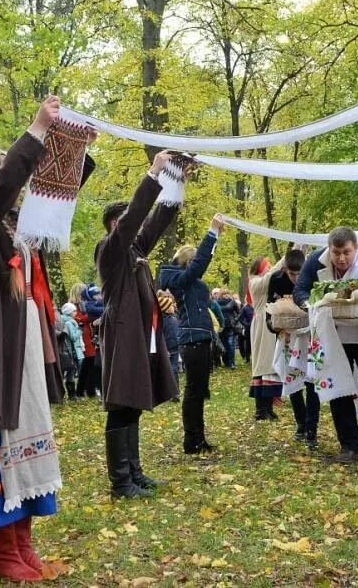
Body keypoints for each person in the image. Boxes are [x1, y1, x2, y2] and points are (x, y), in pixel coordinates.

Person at [0, 96, 94, 582]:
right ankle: (1, 551)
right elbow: (2, 189)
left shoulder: (24, 229)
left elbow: (58, 196)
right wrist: (36, 131)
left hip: (28, 352)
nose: (16, 194)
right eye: (7, 183)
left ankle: (23, 544)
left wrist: (76, 148)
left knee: (30, 441)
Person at [96, 150, 181, 498]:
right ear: (114, 227)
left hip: (140, 338)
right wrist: (153, 173)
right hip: (122, 337)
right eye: (125, 221)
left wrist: (176, 182)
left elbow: (156, 221)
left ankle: (134, 473)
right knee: (121, 405)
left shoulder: (134, 249)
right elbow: (136, 220)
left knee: (133, 404)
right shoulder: (110, 249)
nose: (131, 226)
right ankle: (120, 483)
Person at [294, 227, 358, 463]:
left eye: (346, 253)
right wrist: (309, 304)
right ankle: (349, 443)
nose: (341, 259)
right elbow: (300, 290)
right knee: (337, 386)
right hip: (333, 334)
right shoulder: (315, 262)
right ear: (329, 249)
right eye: (336, 253)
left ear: (356, 248)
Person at [157, 215, 224, 453]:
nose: (199, 263)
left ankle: (199, 437)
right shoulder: (180, 279)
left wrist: (214, 241)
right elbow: (199, 265)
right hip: (192, 339)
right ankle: (191, 440)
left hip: (201, 338)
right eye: (194, 259)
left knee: (199, 390)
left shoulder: (191, 281)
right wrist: (211, 233)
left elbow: (203, 262)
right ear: (187, 262)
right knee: (194, 391)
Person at [264, 249, 319, 447]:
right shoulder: (276, 280)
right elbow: (269, 313)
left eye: (299, 274)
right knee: (293, 380)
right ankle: (301, 423)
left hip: (310, 336)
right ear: (285, 270)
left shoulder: (313, 279)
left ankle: (312, 428)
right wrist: (275, 326)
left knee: (312, 381)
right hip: (288, 338)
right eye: (292, 274)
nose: (296, 278)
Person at [245, 256, 283, 422]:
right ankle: (261, 408)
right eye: (266, 267)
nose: (269, 269)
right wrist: (291, 254)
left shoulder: (262, 282)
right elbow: (272, 274)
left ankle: (267, 407)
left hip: (267, 323)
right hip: (261, 325)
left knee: (269, 364)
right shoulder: (255, 282)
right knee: (263, 365)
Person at [74, 284, 104, 398]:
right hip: (87, 336)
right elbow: (81, 319)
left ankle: (83, 390)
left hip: (89, 335)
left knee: (89, 364)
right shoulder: (83, 306)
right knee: (91, 364)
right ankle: (88, 390)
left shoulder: (88, 305)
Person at [156, 291, 181, 394]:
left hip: (175, 346)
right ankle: (168, 391)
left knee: (174, 369)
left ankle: (175, 391)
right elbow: (160, 335)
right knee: (168, 369)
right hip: (166, 347)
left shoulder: (174, 318)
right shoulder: (160, 321)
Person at [59, 303, 85, 400]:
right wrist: (80, 329)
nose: (76, 312)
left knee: (70, 372)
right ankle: (71, 395)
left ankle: (70, 395)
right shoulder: (69, 323)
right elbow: (73, 337)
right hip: (71, 351)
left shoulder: (68, 321)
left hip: (69, 351)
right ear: (69, 312)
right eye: (74, 311)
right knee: (71, 372)